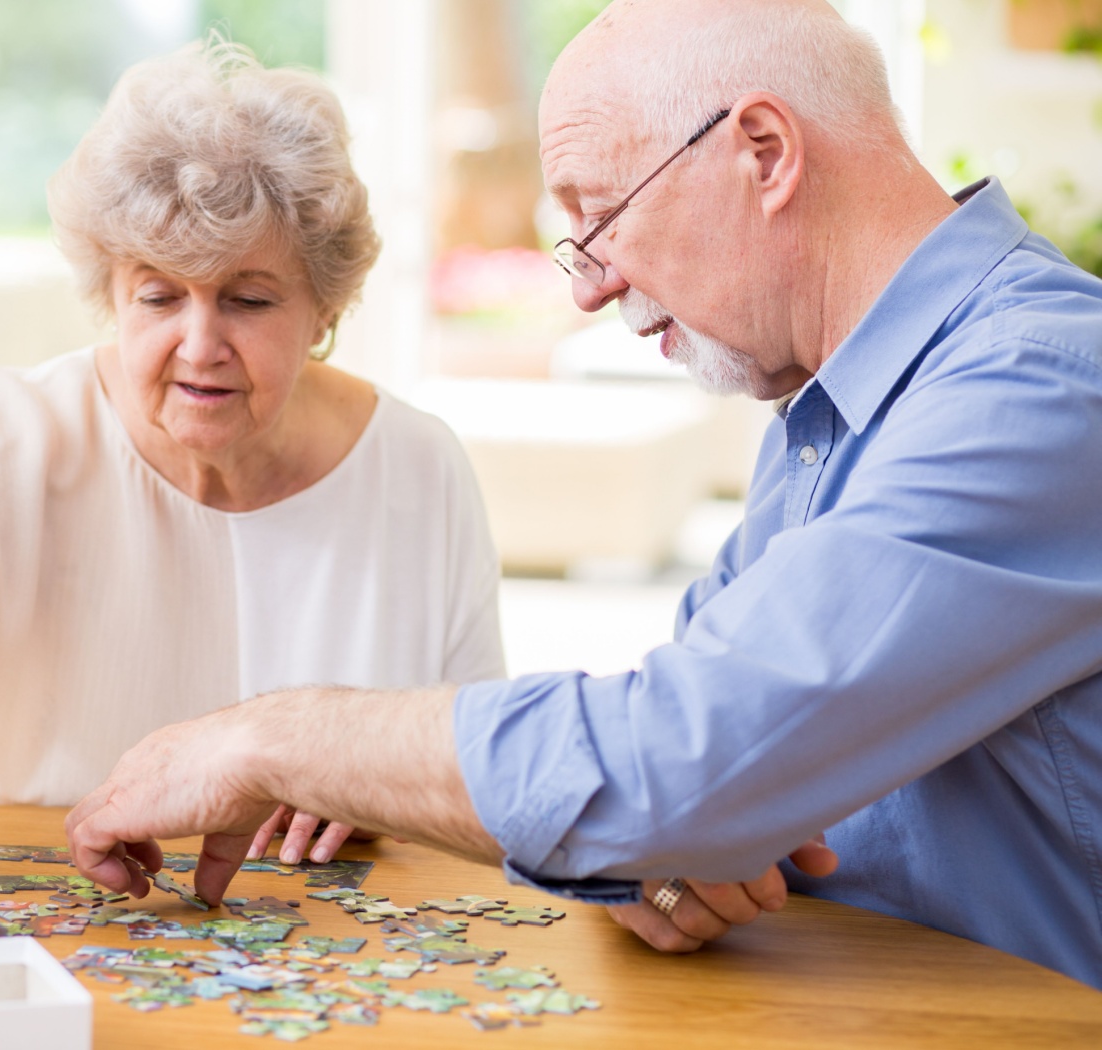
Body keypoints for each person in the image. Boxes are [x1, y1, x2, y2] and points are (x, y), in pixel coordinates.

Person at [66, 0, 1102, 990]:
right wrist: (656, 854)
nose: (587, 285)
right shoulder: (829, 410)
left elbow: (672, 757)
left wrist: (268, 740)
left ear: (765, 153)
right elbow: (682, 793)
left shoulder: (1045, 386)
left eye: (599, 213)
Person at [0, 37, 505, 942]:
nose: (200, 344)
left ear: (324, 304)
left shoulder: (420, 468)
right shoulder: (15, 435)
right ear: (109, 293)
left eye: (248, 300)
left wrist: (382, 779)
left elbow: (491, 763)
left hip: (342, 947)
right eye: (159, 297)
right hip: (59, 933)